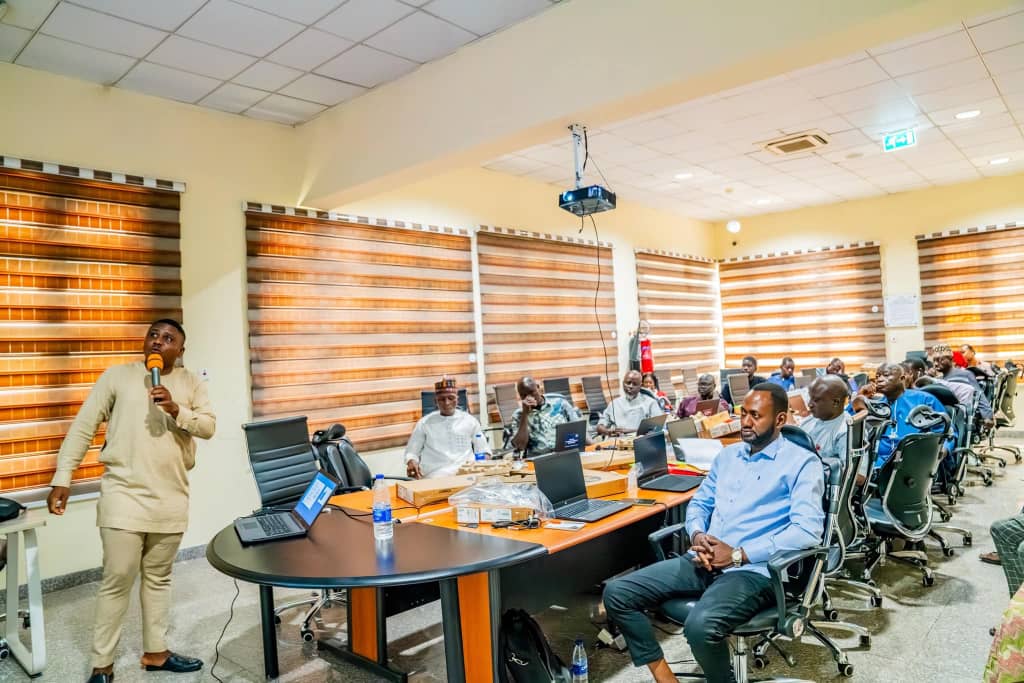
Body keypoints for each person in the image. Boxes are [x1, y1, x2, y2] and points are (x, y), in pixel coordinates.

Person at [602, 383, 824, 683]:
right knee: (617, 593)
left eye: (756, 416)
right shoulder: (727, 456)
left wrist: (737, 555)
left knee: (700, 626)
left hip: (754, 571)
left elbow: (807, 531)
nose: (745, 422)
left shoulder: (802, 463)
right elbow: (700, 503)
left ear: (780, 420)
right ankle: (666, 678)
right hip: (704, 559)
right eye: (743, 413)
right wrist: (697, 534)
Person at [46, 319, 216, 683]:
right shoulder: (117, 377)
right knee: (118, 578)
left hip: (171, 497)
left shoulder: (191, 383)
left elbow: (208, 427)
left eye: (168, 338)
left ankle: (156, 653)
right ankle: (102, 665)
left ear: (180, 351)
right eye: (153, 335)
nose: (157, 341)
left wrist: (176, 410)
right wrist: (63, 477)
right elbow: (83, 427)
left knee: (158, 578)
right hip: (123, 494)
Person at [855, 362, 949, 470]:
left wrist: (943, 449)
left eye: (886, 375)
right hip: (878, 462)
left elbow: (946, 431)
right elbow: (851, 423)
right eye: (877, 376)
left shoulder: (924, 399)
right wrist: (860, 398)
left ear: (902, 378)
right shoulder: (878, 405)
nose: (879, 379)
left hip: (914, 463)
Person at [405, 377, 490, 478]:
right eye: (441, 399)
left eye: (451, 398)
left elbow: (483, 449)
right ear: (435, 401)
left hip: (466, 472)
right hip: (435, 474)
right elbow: (412, 452)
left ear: (457, 399)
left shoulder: (470, 421)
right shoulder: (424, 423)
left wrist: (483, 465)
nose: (447, 403)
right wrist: (412, 462)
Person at [509, 376, 582, 454]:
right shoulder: (518, 415)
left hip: (565, 453)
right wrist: (525, 414)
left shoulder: (561, 403)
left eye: (531, 392)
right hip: (538, 458)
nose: (528, 398)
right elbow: (520, 446)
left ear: (538, 388)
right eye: (523, 395)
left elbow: (580, 431)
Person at [932, 344, 993, 422]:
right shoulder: (938, 379)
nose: (936, 364)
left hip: (961, 417)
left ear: (951, 359)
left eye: (940, 360)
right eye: (934, 360)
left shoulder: (965, 374)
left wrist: (987, 416)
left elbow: (978, 394)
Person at [597, 370, 663, 436]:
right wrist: (607, 432)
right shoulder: (614, 404)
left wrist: (629, 431)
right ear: (623, 383)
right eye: (628, 383)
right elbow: (600, 426)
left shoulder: (650, 403)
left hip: (639, 439)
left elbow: (658, 427)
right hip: (617, 440)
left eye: (635, 384)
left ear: (640, 386)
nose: (630, 386)